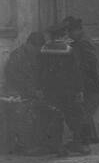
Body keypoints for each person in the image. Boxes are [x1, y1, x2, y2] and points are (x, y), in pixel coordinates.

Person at [37, 23, 89, 155]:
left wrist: (40, 88)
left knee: (55, 116)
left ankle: (57, 146)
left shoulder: (43, 49)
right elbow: (75, 72)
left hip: (50, 89)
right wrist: (79, 90)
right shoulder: (69, 50)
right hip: (68, 89)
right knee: (75, 116)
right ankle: (78, 143)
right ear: (63, 35)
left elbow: (40, 71)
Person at [65, 16, 99, 145]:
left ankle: (82, 141)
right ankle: (92, 137)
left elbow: (91, 64)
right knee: (85, 110)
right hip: (89, 81)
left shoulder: (83, 43)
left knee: (83, 112)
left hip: (90, 82)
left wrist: (93, 82)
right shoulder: (80, 41)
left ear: (78, 30)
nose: (69, 34)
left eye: (71, 31)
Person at [4, 32, 46, 98]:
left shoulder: (38, 56)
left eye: (39, 48)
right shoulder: (16, 55)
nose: (37, 51)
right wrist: (33, 92)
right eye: (35, 47)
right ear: (28, 43)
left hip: (31, 94)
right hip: (17, 94)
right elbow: (13, 78)